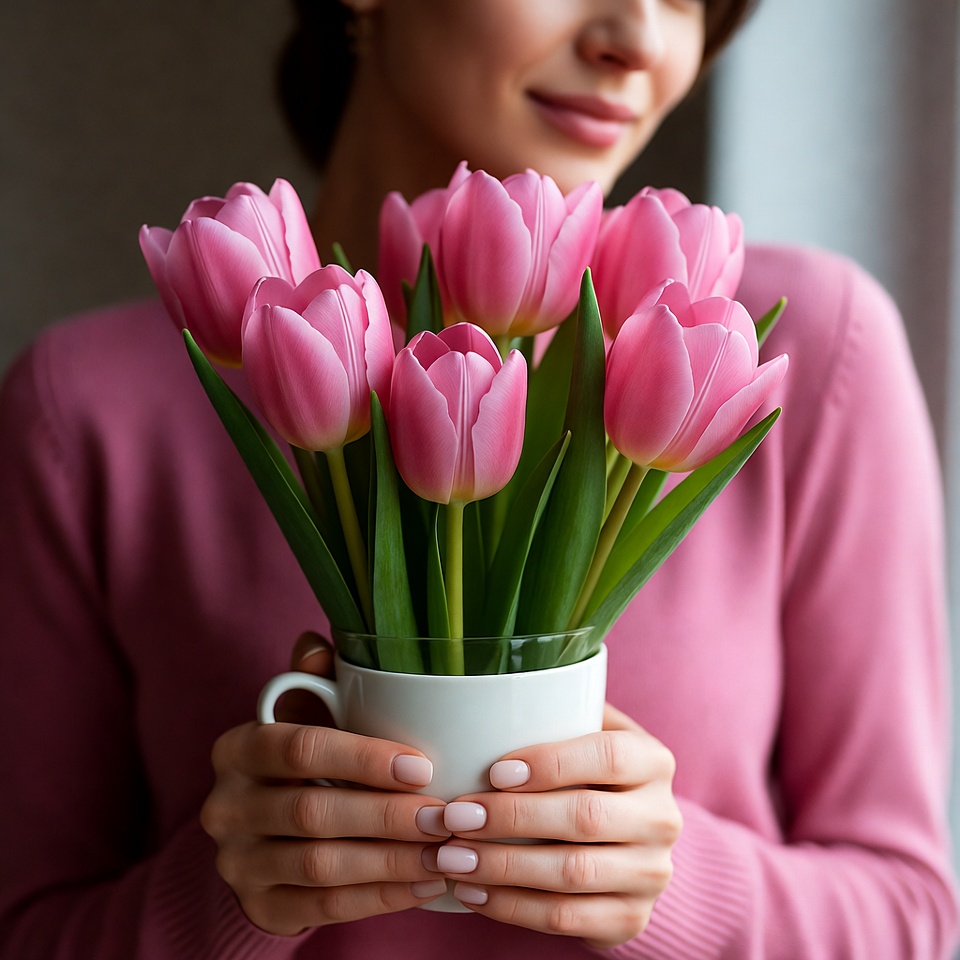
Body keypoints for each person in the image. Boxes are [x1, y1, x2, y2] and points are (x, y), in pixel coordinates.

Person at [0, 0, 956, 957]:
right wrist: (225, 894)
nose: (640, 43)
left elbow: (913, 920)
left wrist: (663, 885)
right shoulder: (84, 410)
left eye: (690, 0)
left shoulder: (775, 346)